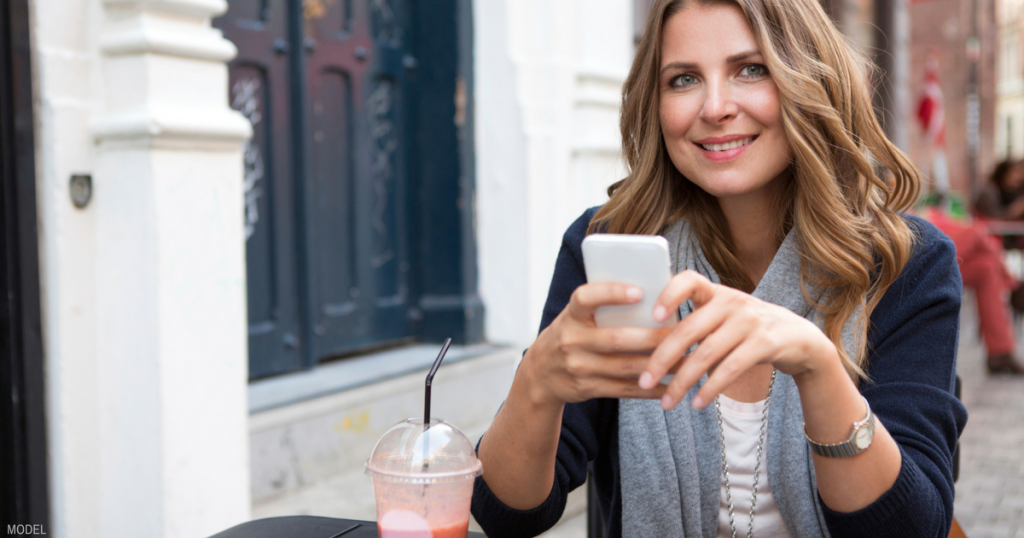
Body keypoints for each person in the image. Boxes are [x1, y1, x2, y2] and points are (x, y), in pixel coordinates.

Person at [471, 0, 967, 537]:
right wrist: (537, 383)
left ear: (809, 78)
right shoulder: (611, 245)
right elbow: (508, 515)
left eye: (750, 69)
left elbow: (915, 528)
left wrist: (818, 367)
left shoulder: (905, 263)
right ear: (655, 103)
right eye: (682, 79)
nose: (714, 106)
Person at [922, 204, 1024, 374]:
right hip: (923, 257)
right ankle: (1014, 285)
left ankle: (1000, 352)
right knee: (975, 230)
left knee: (987, 267)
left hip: (933, 250)